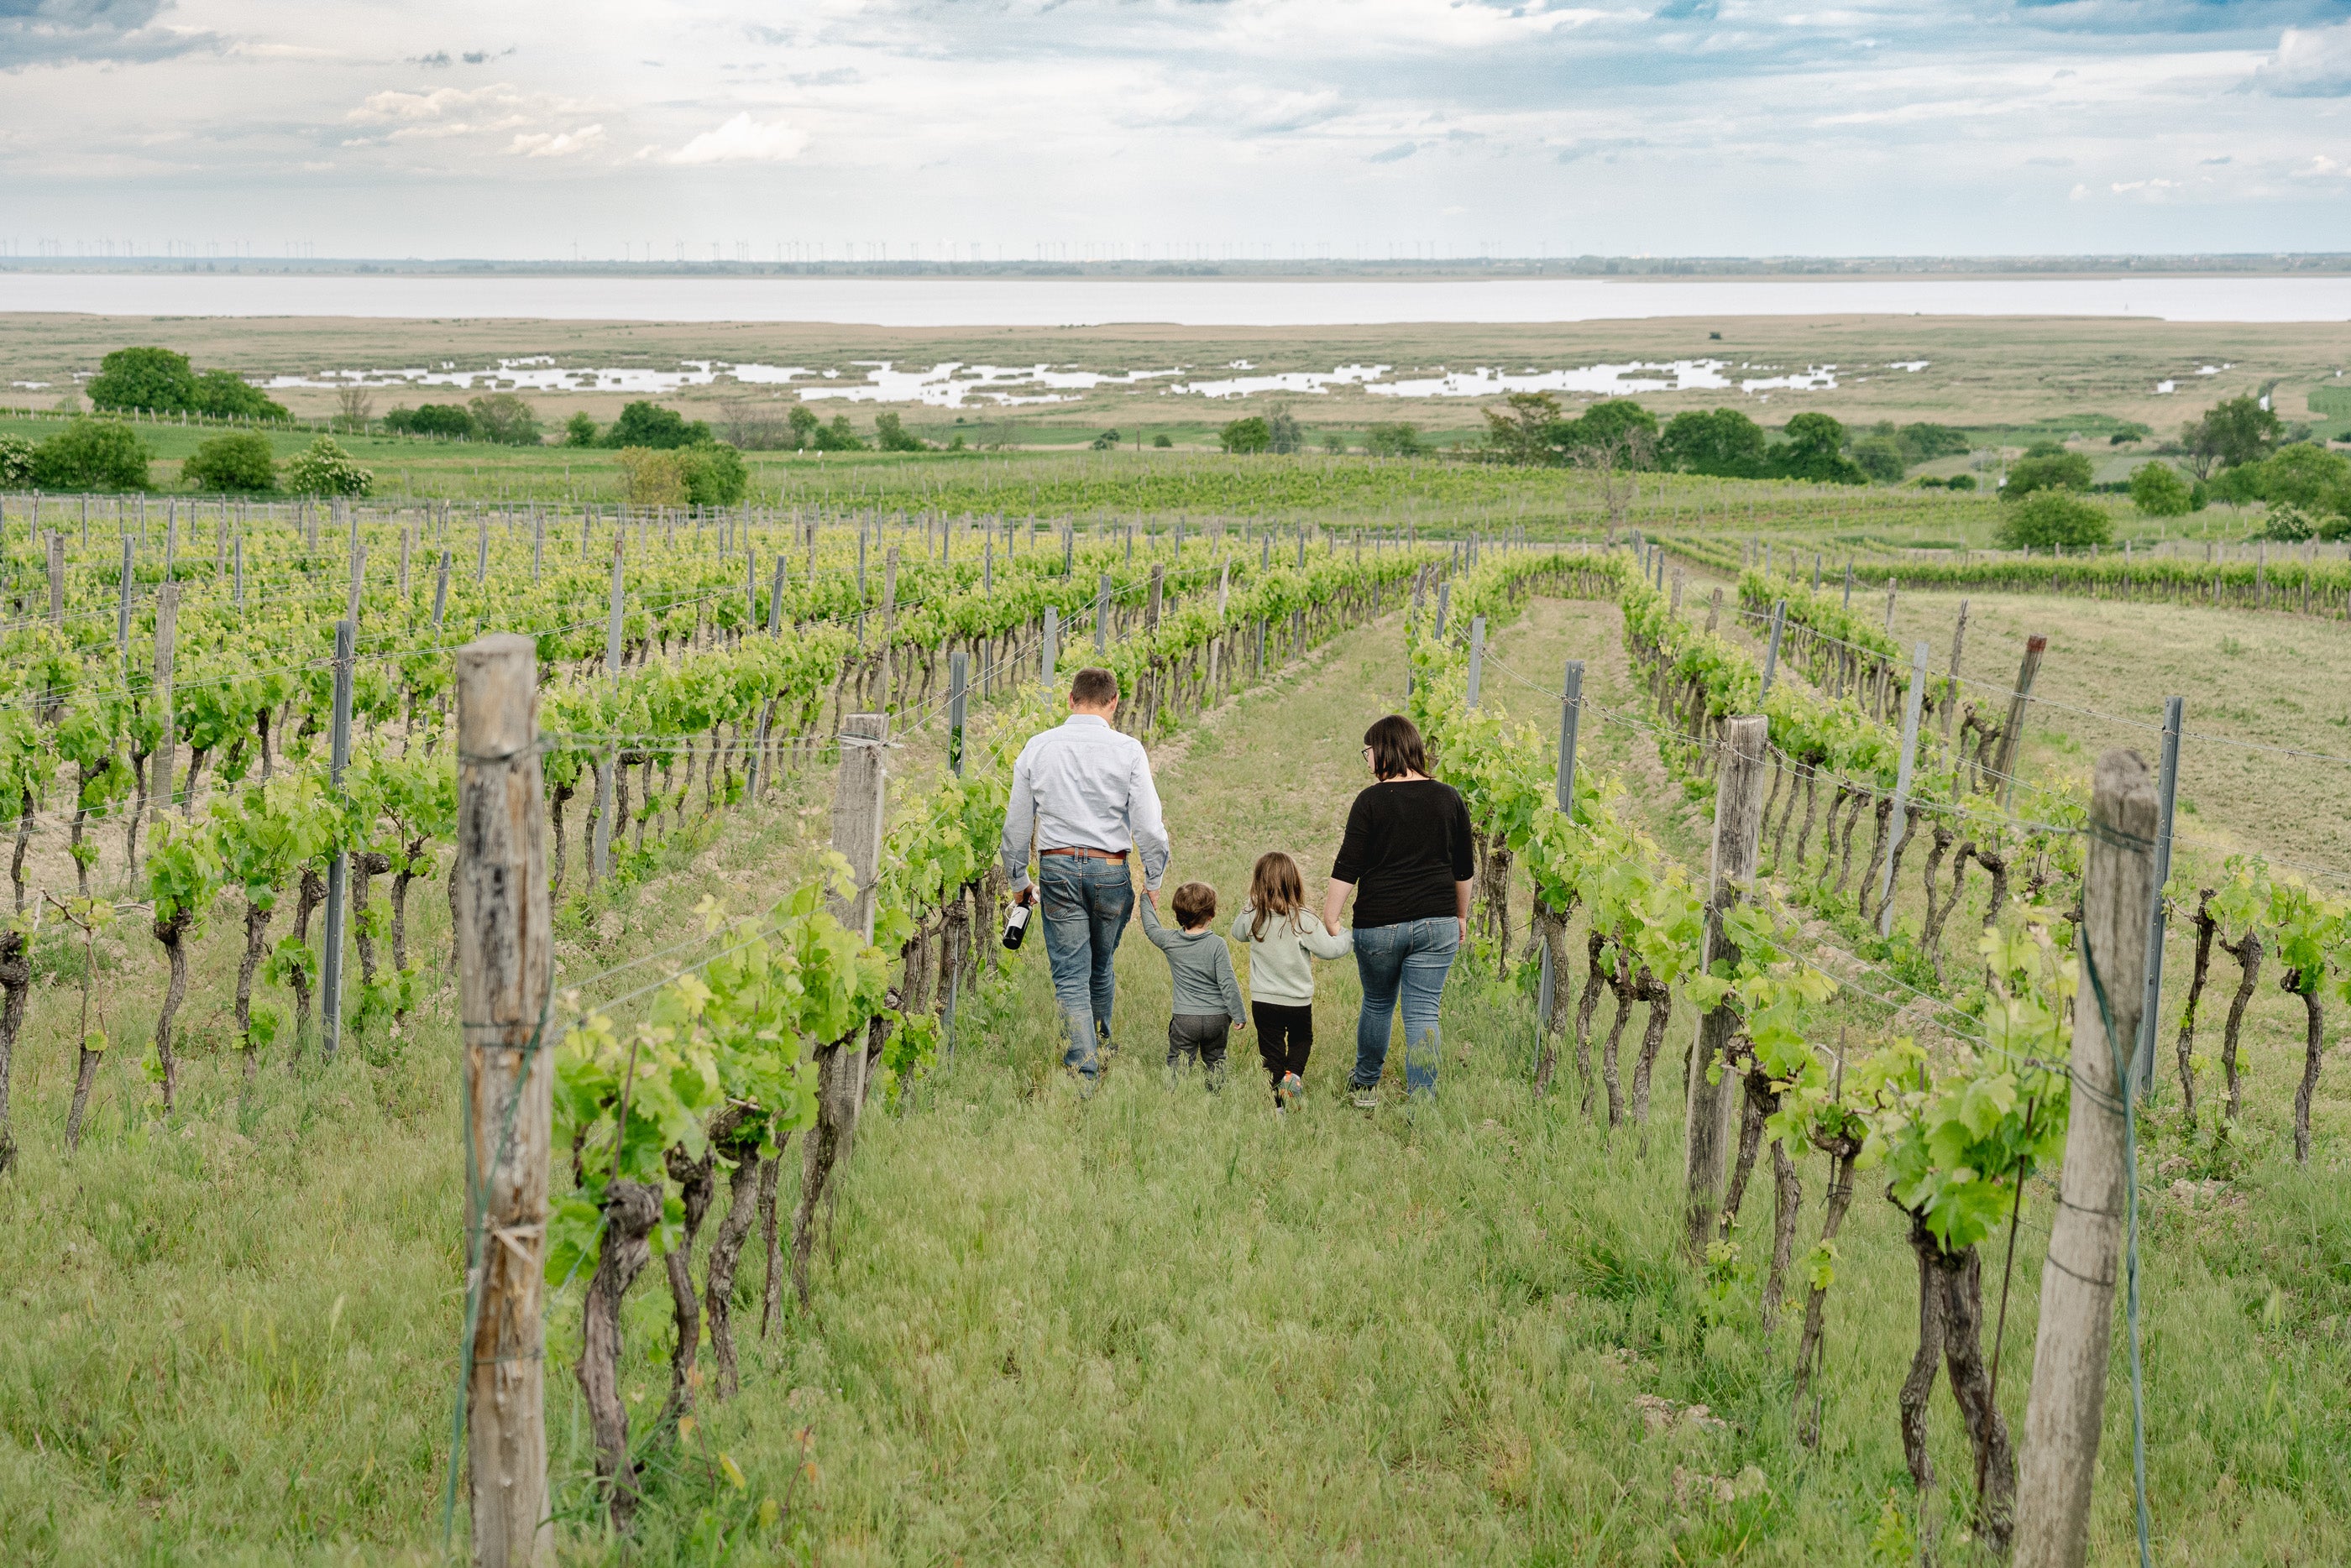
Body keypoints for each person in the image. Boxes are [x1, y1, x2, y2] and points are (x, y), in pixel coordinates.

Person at [1000, 666, 1170, 1084]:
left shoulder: (1037, 747)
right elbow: (1148, 826)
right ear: (1114, 703)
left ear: (1071, 700)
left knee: (1070, 975)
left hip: (1056, 869)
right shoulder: (1129, 750)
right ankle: (1101, 1048)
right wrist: (1153, 879)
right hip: (1110, 869)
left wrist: (1019, 880)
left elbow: (1016, 827)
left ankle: (1083, 1071)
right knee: (1101, 966)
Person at [1322, 713, 1472, 1108]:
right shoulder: (1449, 797)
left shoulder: (1370, 801)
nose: (1367, 760)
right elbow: (1464, 870)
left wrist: (1331, 917)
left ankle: (1366, 1087)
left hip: (1380, 924)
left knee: (1377, 1002)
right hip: (1437, 920)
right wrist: (1460, 916)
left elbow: (1347, 865)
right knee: (1424, 1013)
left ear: (1386, 749)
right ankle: (1422, 1101)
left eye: (1367, 751)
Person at [1230, 850, 1353, 1113]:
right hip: (1297, 1000)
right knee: (1301, 1040)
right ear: (1295, 882)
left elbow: (1236, 933)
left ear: (1257, 884)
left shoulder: (1253, 915)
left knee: (1271, 1050)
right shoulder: (1304, 918)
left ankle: (1278, 1107)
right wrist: (1345, 935)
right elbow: (1330, 950)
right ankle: (1293, 1075)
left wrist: (1251, 903)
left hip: (1264, 1000)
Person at [1139, 881, 1246, 1089]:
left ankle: (1175, 1098)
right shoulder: (1217, 944)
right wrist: (1239, 1014)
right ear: (1211, 915)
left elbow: (1151, 928)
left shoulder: (1170, 941)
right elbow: (1228, 982)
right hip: (1217, 1018)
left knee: (1178, 1063)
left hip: (1186, 1018)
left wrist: (1145, 898)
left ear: (1178, 915)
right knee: (1216, 1061)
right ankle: (1215, 1097)